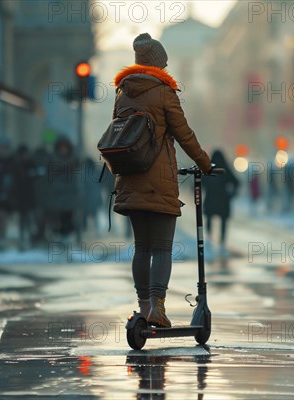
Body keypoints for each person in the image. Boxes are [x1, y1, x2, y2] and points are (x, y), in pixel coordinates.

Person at [111, 33, 212, 328]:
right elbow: (184, 134)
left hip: (129, 180)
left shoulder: (123, 92)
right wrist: (205, 164)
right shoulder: (165, 93)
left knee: (141, 248)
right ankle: (157, 305)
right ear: (158, 65)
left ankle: (143, 307)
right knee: (161, 248)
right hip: (159, 181)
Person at [203, 150, 239, 253]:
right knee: (223, 220)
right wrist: (231, 194)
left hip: (210, 198)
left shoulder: (208, 169)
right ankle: (222, 241)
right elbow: (236, 182)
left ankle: (209, 238)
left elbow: (201, 182)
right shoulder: (225, 169)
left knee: (209, 218)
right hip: (223, 199)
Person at [13, 144, 37, 249]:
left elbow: (36, 178)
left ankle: (29, 235)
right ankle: (23, 236)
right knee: (23, 218)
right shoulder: (17, 165)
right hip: (20, 196)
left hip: (29, 195)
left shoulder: (31, 164)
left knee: (29, 218)